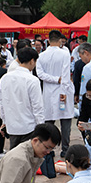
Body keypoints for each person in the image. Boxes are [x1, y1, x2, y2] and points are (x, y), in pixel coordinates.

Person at [37, 30, 74, 160]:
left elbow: (40, 74)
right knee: (66, 121)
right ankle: (65, 149)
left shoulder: (41, 56)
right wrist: (62, 89)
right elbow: (65, 73)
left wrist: (53, 79)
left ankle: (49, 148)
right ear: (60, 41)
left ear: (48, 40)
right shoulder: (64, 53)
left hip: (48, 91)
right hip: (63, 89)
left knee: (49, 121)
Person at [0, 47, 45, 149]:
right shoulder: (33, 80)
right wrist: (41, 127)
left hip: (12, 126)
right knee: (29, 158)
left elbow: (1, 102)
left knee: (15, 157)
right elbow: (37, 107)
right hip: (28, 126)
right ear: (32, 61)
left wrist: (4, 121)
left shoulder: (5, 78)